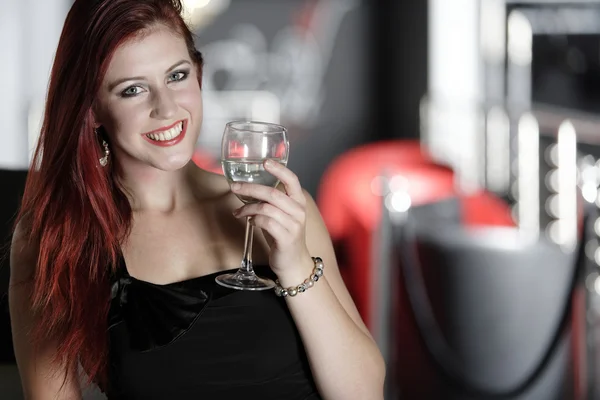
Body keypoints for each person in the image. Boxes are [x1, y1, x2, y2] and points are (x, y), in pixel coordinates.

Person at [8, 0, 385, 399]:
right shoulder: (58, 237)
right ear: (93, 107)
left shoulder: (283, 210)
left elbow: (362, 393)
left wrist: (295, 266)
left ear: (199, 73)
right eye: (133, 89)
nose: (167, 108)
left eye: (177, 75)